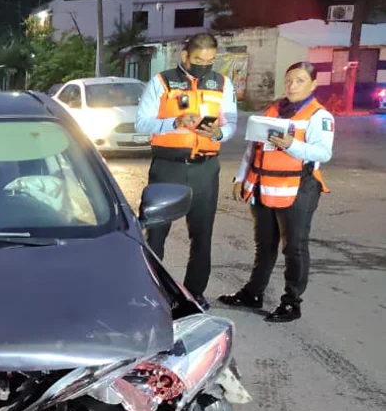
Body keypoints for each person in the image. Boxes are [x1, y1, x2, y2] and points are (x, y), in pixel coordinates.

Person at [218, 62, 333, 323]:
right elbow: (253, 148)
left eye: (300, 80)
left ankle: (292, 303)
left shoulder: (319, 116)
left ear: (313, 85)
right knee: (264, 245)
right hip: (263, 187)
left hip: (297, 189)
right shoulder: (273, 109)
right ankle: (253, 293)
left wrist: (293, 145)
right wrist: (241, 177)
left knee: (294, 248)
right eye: (289, 80)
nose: (292, 85)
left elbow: (323, 153)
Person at [134, 32, 238, 307]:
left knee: (202, 233)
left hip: (205, 168)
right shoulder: (162, 82)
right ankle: (151, 291)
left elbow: (232, 124)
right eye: (199, 59)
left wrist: (219, 132)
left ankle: (195, 292)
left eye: (210, 60)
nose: (205, 64)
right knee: (156, 232)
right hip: (168, 167)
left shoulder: (222, 84)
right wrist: (175, 122)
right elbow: (141, 123)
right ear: (185, 57)